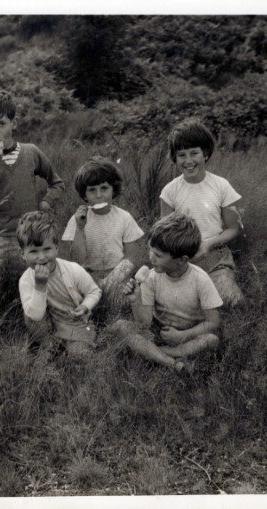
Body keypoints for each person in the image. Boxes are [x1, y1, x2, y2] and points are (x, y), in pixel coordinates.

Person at [0, 87, 65, 306]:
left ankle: (32, 319)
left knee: (32, 288)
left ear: (14, 123)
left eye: (1, 123)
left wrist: (46, 202)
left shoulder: (31, 152)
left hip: (28, 239)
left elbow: (57, 182)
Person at [109, 212, 222, 371]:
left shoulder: (200, 280)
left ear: (181, 260)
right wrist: (136, 301)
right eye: (151, 250)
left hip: (189, 334)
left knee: (211, 340)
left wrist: (183, 336)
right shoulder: (151, 278)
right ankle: (173, 363)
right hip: (158, 332)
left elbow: (213, 322)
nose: (151, 258)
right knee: (120, 326)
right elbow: (144, 324)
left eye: (158, 255)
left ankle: (156, 354)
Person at [160, 118, 244, 306]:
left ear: (205, 153)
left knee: (232, 301)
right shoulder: (169, 192)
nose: (188, 161)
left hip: (216, 257)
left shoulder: (222, 186)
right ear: (175, 158)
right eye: (181, 155)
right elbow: (165, 235)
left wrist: (208, 244)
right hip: (182, 261)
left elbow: (233, 228)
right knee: (181, 305)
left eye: (194, 153)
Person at [61, 156, 144, 315]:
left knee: (122, 305)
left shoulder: (124, 217)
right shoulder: (77, 219)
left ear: (114, 190)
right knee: (77, 304)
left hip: (117, 275)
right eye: (92, 190)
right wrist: (80, 229)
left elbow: (132, 256)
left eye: (104, 188)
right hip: (87, 275)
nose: (99, 195)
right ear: (85, 195)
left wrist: (110, 282)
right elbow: (76, 260)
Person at [17, 211, 102, 357]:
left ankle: (70, 349)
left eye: (47, 249)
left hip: (75, 323)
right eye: (33, 251)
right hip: (47, 326)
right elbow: (35, 316)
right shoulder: (26, 280)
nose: (41, 257)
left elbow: (94, 291)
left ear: (56, 248)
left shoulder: (72, 269)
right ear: (22, 254)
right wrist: (40, 286)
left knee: (79, 355)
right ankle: (48, 346)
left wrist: (85, 306)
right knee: (29, 313)